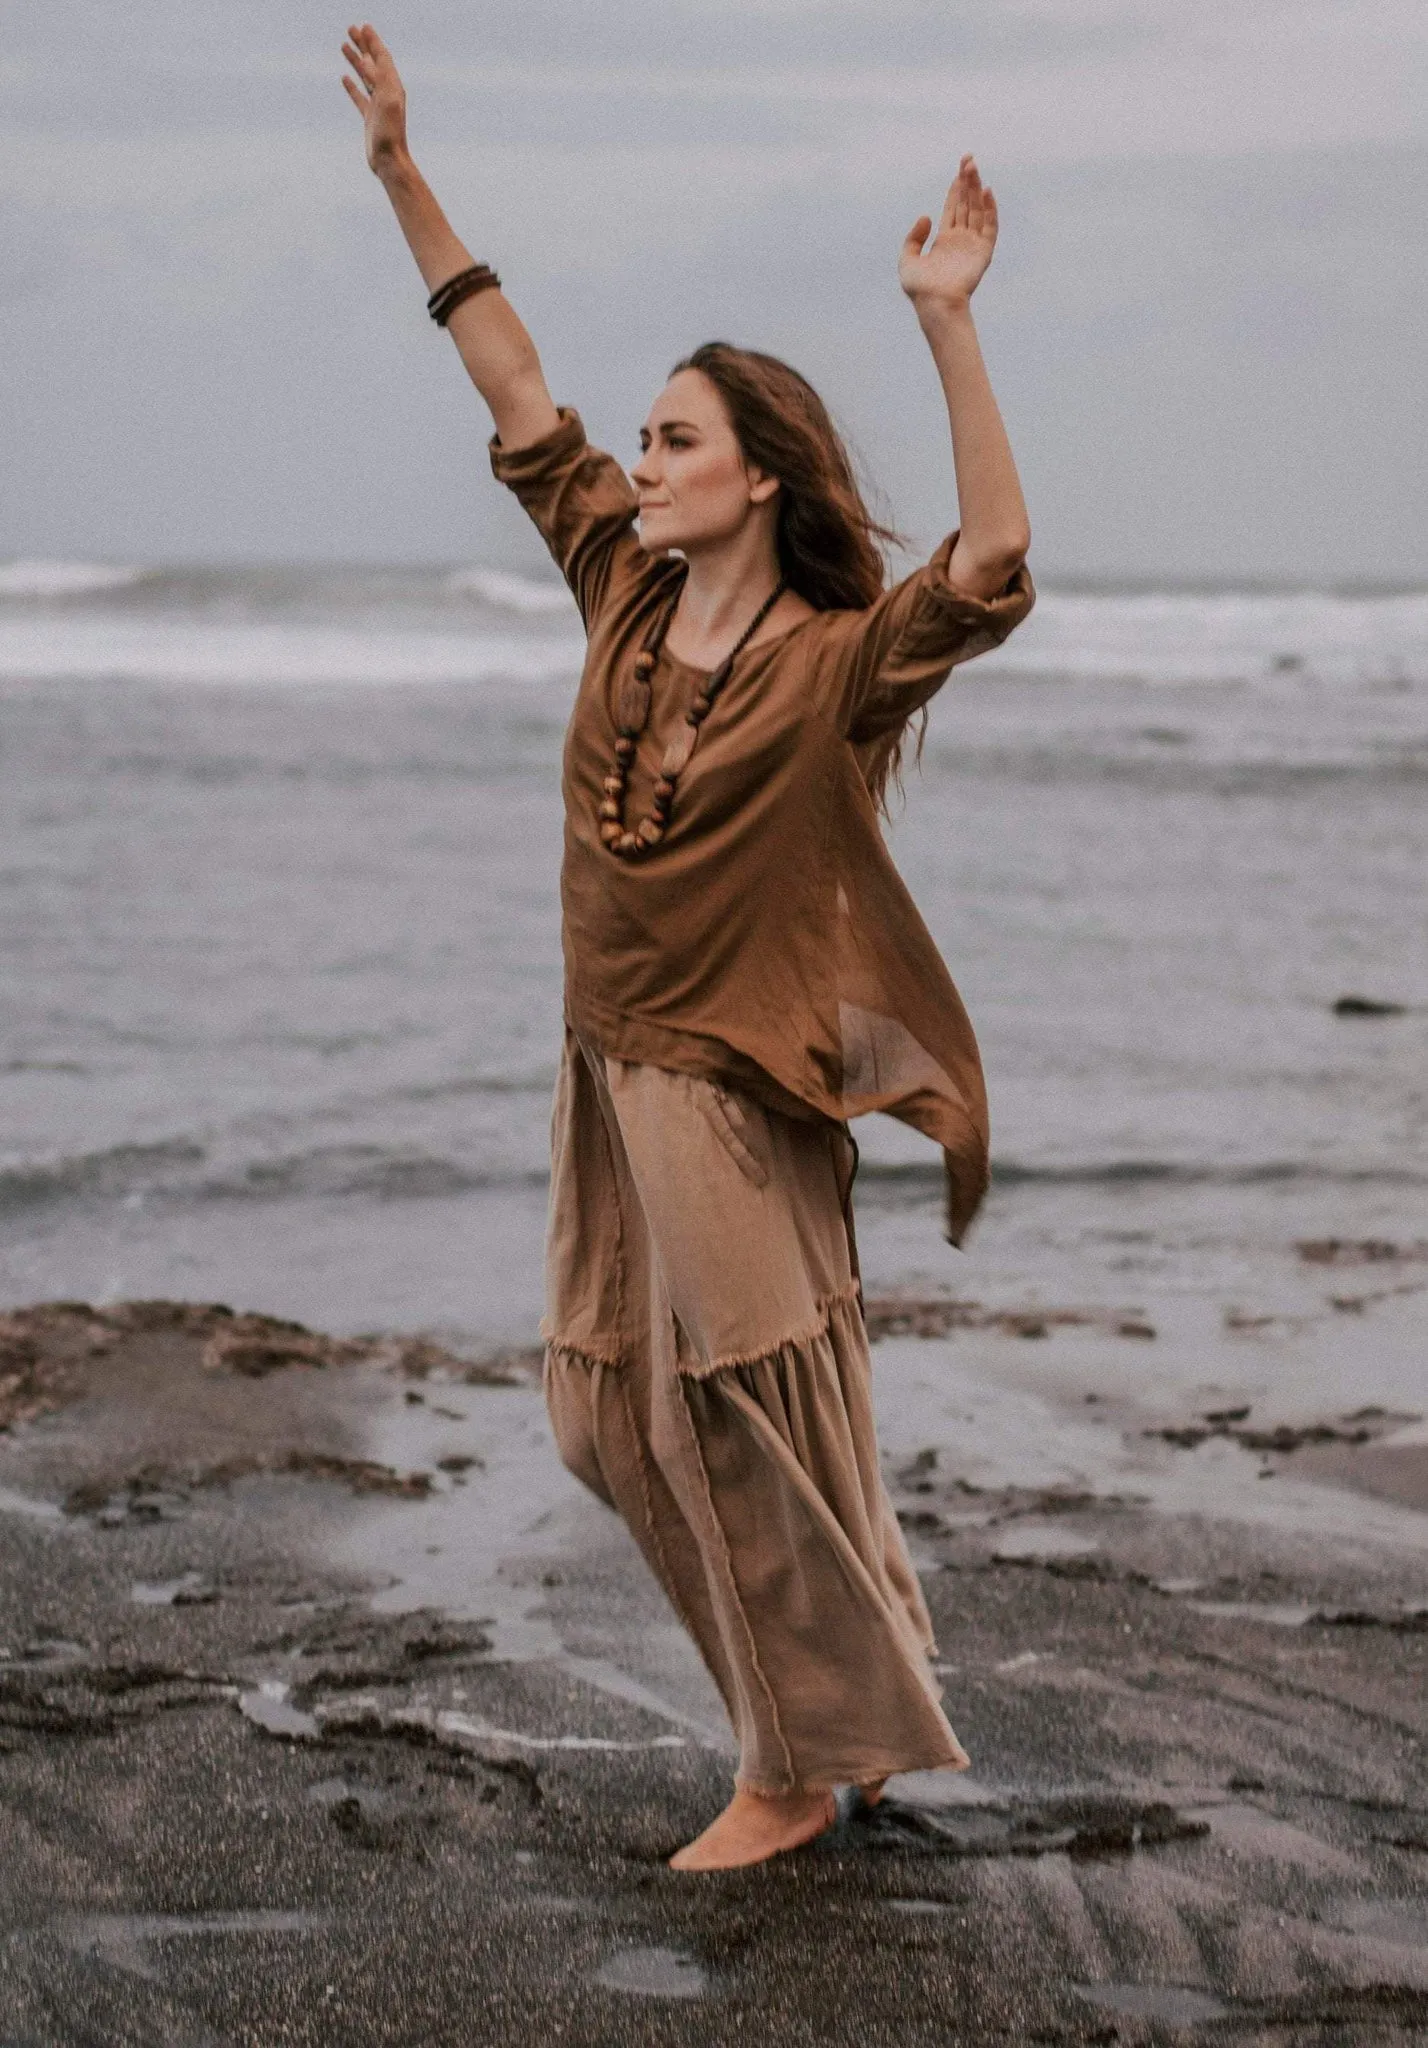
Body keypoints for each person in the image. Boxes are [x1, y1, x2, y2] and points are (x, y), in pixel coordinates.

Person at [342, 23, 1034, 1872]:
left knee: (735, 1407)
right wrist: (406, 174)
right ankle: (845, 1712)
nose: (637, 460)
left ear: (755, 476)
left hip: (734, 1077)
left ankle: (795, 1767)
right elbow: (511, 380)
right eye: (641, 437)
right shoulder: (618, 581)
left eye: (675, 439)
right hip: (607, 1057)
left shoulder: (831, 662)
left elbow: (989, 559)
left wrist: (947, 320)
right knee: (602, 1415)